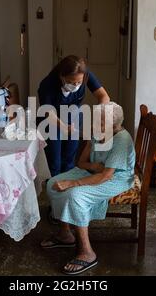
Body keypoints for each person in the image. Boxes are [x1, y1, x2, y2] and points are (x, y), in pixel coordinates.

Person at [40, 102, 134, 275]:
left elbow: (106, 176)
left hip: (116, 179)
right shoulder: (98, 133)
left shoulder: (121, 139)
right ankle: (65, 234)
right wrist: (94, 167)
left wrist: (73, 183)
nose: (95, 124)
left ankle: (87, 252)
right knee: (53, 183)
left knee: (75, 195)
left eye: (100, 121)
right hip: (95, 172)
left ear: (114, 125)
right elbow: (81, 163)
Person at [38, 55, 110, 177]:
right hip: (52, 121)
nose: (76, 85)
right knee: (55, 161)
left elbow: (104, 97)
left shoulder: (86, 75)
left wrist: (98, 117)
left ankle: (67, 185)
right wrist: (64, 128)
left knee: (69, 157)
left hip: (73, 118)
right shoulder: (47, 84)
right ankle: (53, 188)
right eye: (71, 82)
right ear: (62, 76)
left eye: (79, 82)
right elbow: (48, 112)